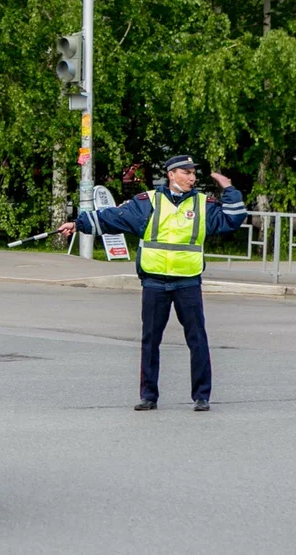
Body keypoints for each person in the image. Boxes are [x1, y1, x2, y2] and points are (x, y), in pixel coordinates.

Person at [58, 155, 247, 412]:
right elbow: (113, 217)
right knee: (150, 341)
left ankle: (202, 396)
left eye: (193, 173)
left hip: (187, 282)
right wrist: (78, 224)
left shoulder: (204, 205)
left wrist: (229, 189)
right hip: (154, 282)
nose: (192, 177)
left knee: (197, 339)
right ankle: (149, 396)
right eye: (186, 172)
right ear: (171, 174)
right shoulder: (148, 202)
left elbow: (232, 220)